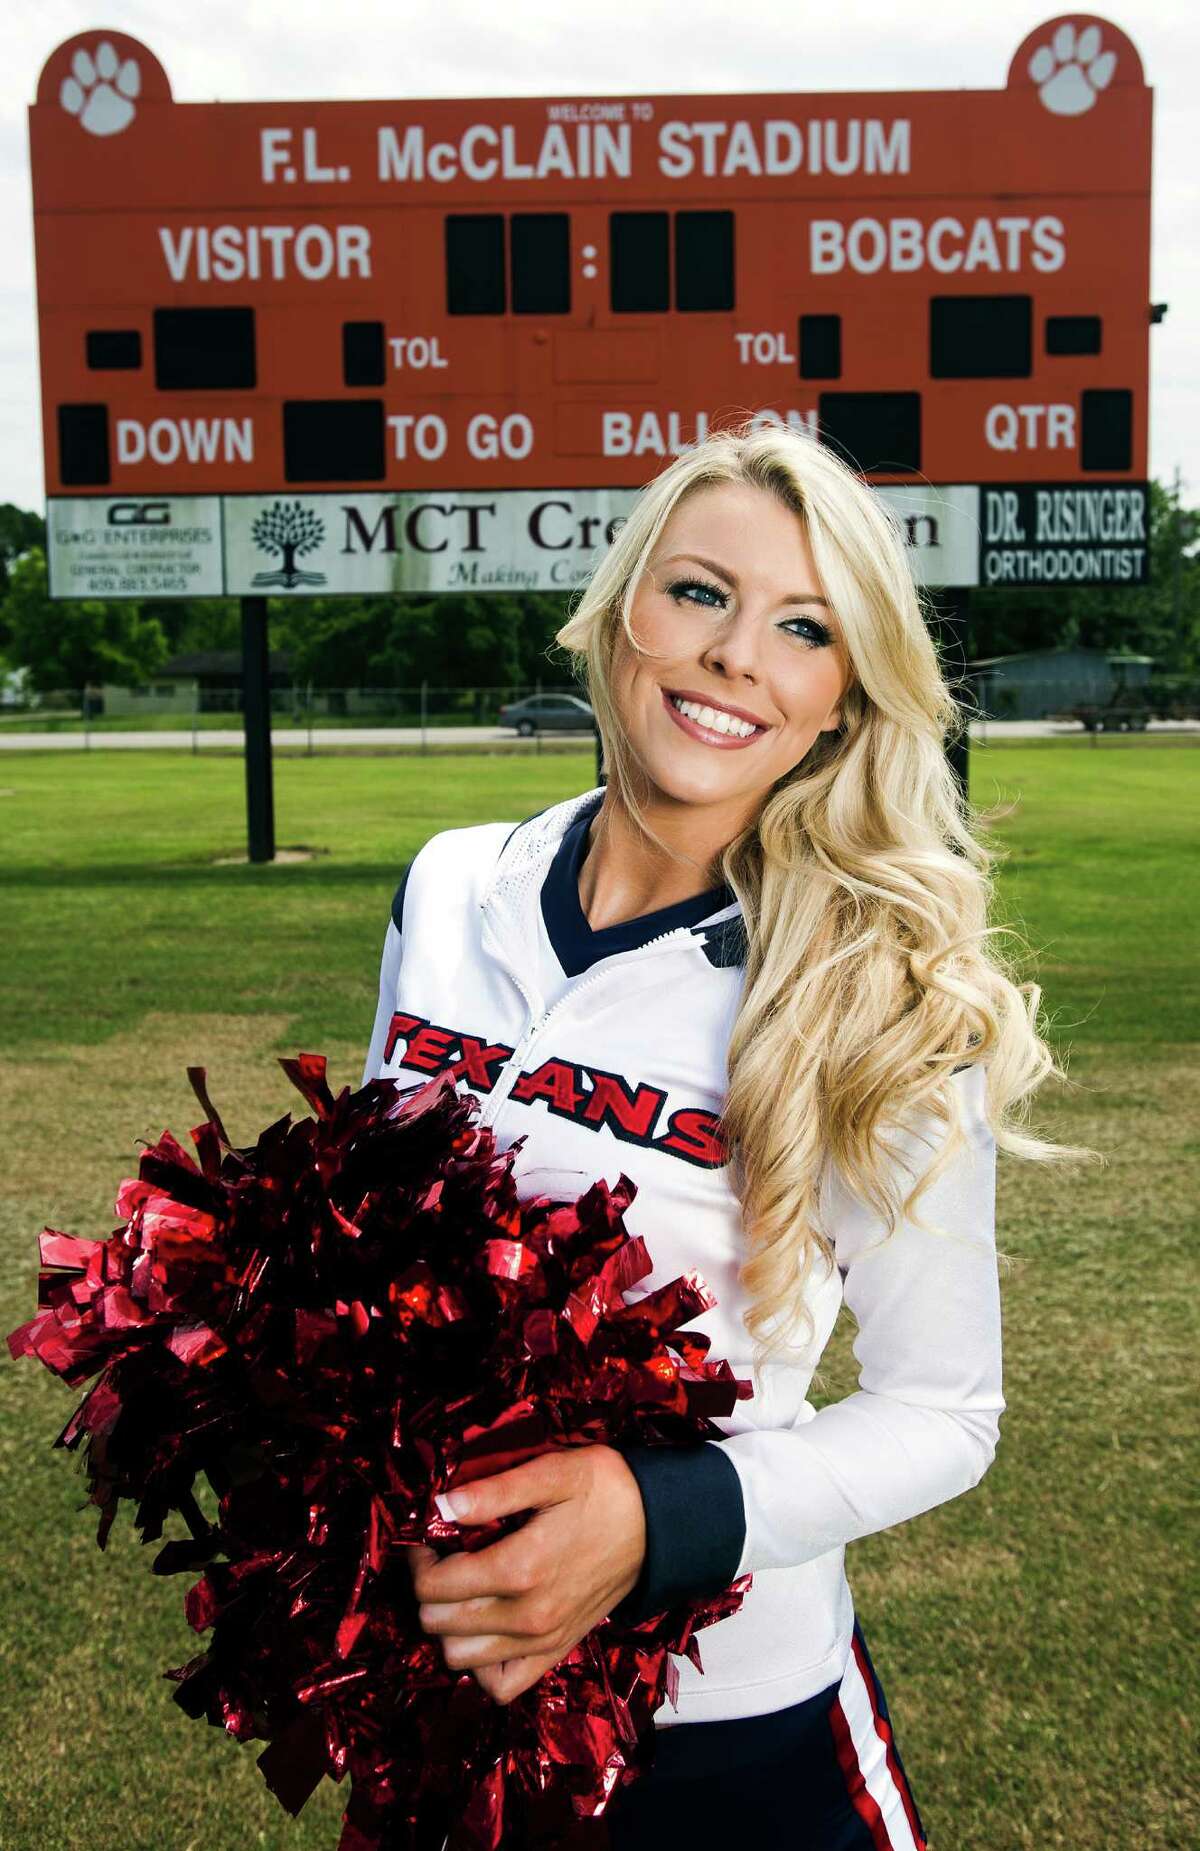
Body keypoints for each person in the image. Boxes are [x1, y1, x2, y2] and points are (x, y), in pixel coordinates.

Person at [362, 420, 1089, 1848]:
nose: (734, 655)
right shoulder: (453, 888)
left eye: (803, 627)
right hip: (446, 1684)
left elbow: (945, 1413)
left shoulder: (877, 986)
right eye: (700, 592)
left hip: (731, 1728)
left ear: (841, 699)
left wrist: (655, 1521)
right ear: (620, 609)